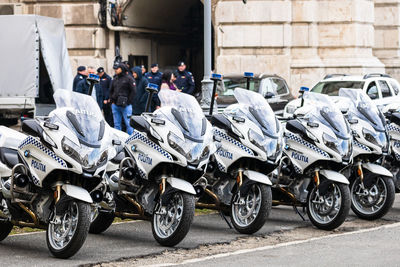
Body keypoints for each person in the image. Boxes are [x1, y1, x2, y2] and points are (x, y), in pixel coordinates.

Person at [109, 63, 136, 135]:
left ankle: (131, 139)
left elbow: (133, 91)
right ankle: (118, 139)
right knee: (116, 124)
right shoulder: (115, 79)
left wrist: (128, 102)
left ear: (122, 69)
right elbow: (111, 90)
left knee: (128, 124)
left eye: (117, 69)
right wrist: (112, 101)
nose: (115, 70)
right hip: (115, 105)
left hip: (126, 106)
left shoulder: (129, 79)